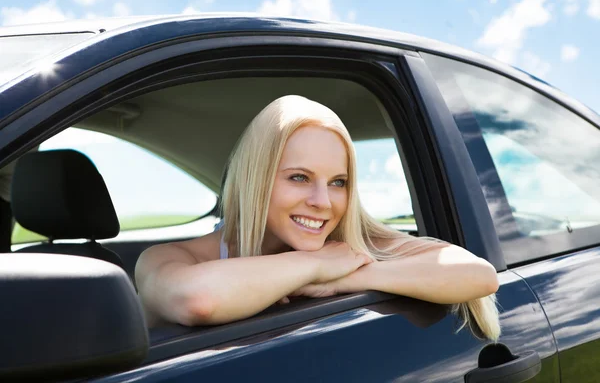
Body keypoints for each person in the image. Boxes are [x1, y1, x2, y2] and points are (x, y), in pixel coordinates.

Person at [135, 95, 501, 340]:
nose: (322, 202)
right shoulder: (168, 259)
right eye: (299, 177)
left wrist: (342, 278)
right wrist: (312, 266)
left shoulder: (347, 250)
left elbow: (479, 276)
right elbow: (198, 299)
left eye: (338, 182)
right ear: (255, 179)